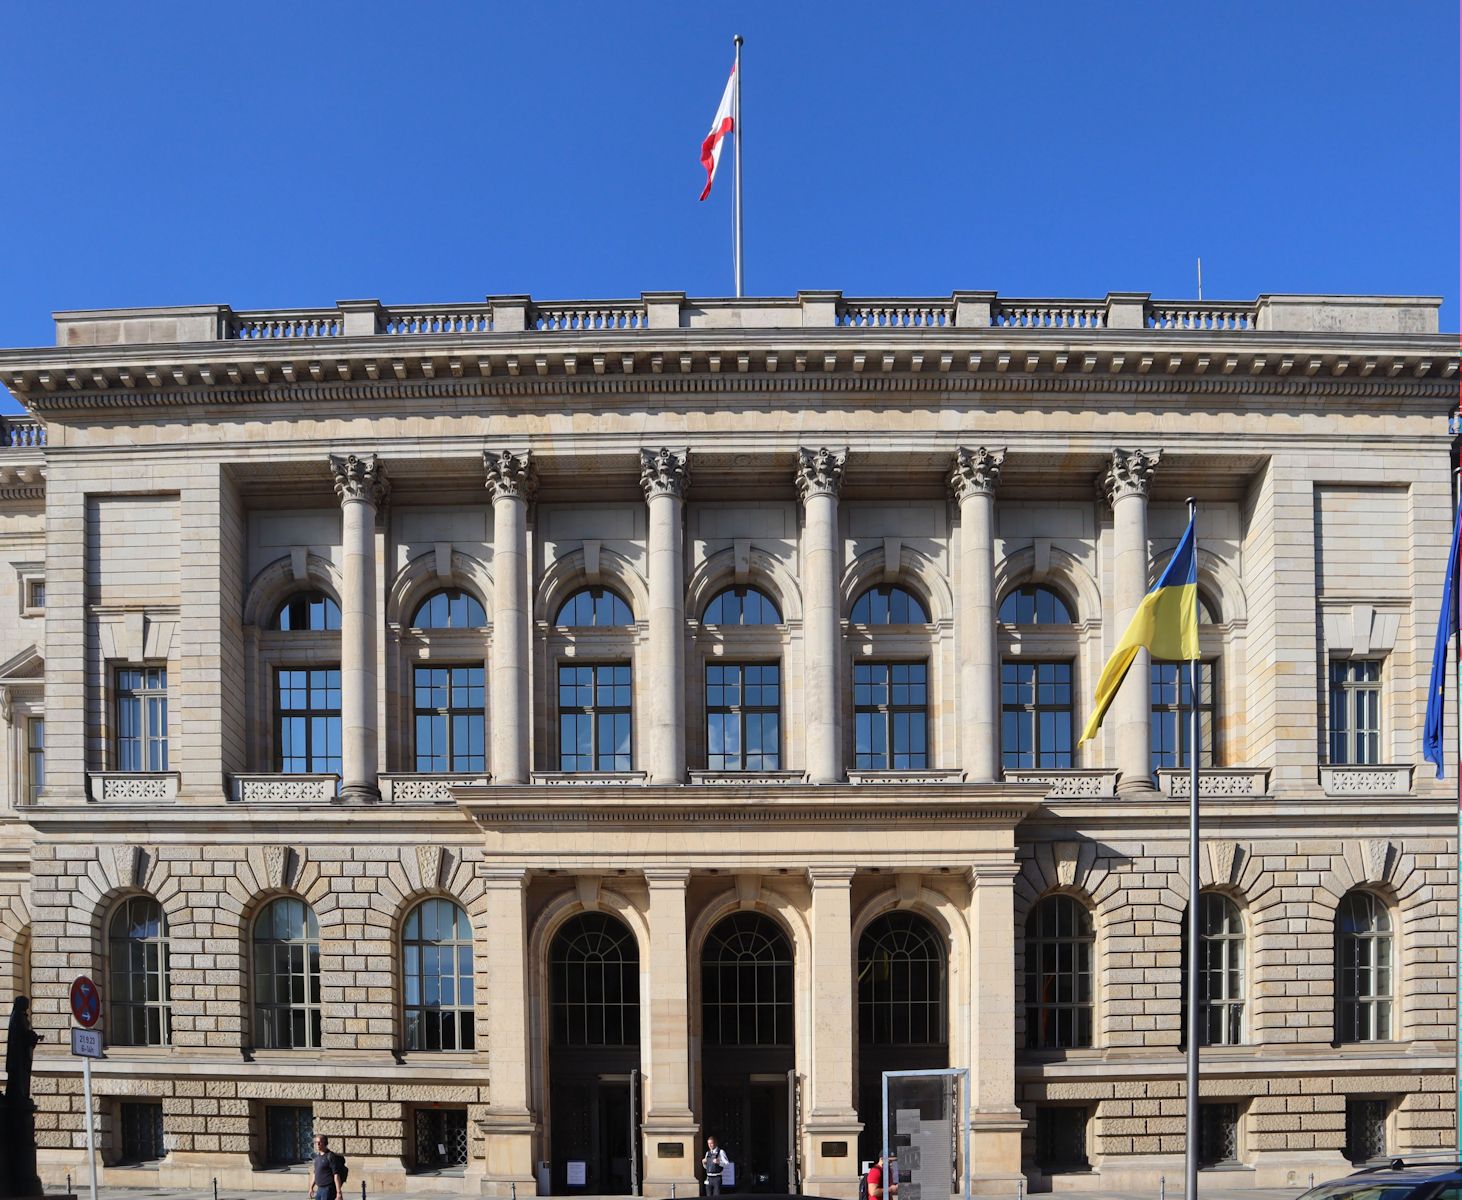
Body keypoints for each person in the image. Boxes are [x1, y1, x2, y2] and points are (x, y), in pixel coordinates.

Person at [310, 1134, 344, 1200]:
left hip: (328, 1189)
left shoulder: (330, 1156)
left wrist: (339, 1192)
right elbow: (315, 1173)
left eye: (320, 1142)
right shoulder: (317, 1157)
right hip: (319, 1189)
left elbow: (336, 1175)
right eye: (316, 1142)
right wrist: (311, 1187)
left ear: (325, 1143)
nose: (317, 1144)